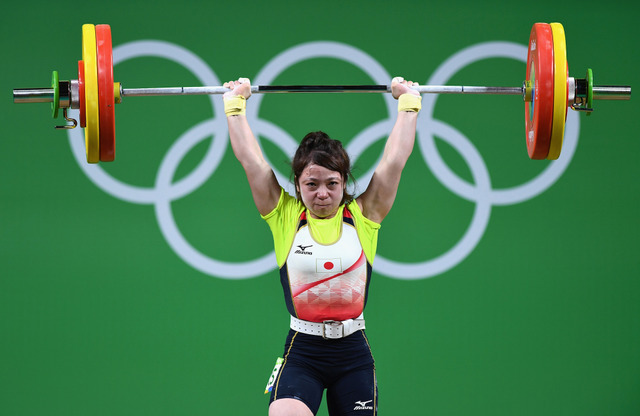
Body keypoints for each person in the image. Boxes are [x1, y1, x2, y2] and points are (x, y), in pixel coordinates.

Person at [223, 76, 421, 416]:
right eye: (311, 184)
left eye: (332, 183)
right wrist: (235, 106)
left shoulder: (365, 214)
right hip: (303, 353)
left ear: (344, 183)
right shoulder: (284, 214)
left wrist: (408, 104)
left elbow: (394, 162)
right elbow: (252, 162)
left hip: (353, 355)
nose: (323, 193)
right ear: (298, 186)